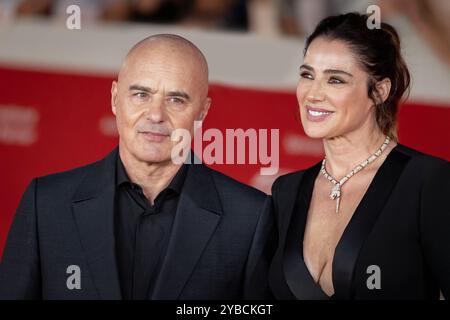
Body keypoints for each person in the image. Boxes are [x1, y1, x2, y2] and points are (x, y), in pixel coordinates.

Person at [0, 34, 272, 300]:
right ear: (115, 98)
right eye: (141, 94)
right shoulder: (46, 204)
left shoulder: (249, 218)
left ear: (202, 111)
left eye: (176, 100)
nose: (155, 115)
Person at [268, 13, 450, 299]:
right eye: (307, 75)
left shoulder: (428, 181)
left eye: (335, 80)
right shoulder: (285, 191)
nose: (312, 94)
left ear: (379, 91)